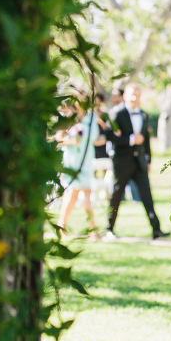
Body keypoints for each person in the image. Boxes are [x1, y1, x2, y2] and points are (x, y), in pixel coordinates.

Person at [103, 83, 169, 241]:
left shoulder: (144, 115)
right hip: (122, 161)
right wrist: (131, 139)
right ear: (125, 96)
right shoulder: (115, 114)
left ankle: (156, 230)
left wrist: (148, 159)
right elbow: (110, 136)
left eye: (137, 95)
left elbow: (146, 141)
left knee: (147, 195)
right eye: (131, 94)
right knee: (116, 195)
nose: (134, 98)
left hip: (139, 162)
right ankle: (109, 229)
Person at [55, 93, 103, 237]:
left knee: (86, 194)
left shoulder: (91, 118)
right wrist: (72, 140)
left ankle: (90, 229)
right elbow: (58, 138)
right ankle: (65, 227)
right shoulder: (68, 118)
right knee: (72, 195)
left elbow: (93, 137)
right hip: (72, 162)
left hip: (86, 160)